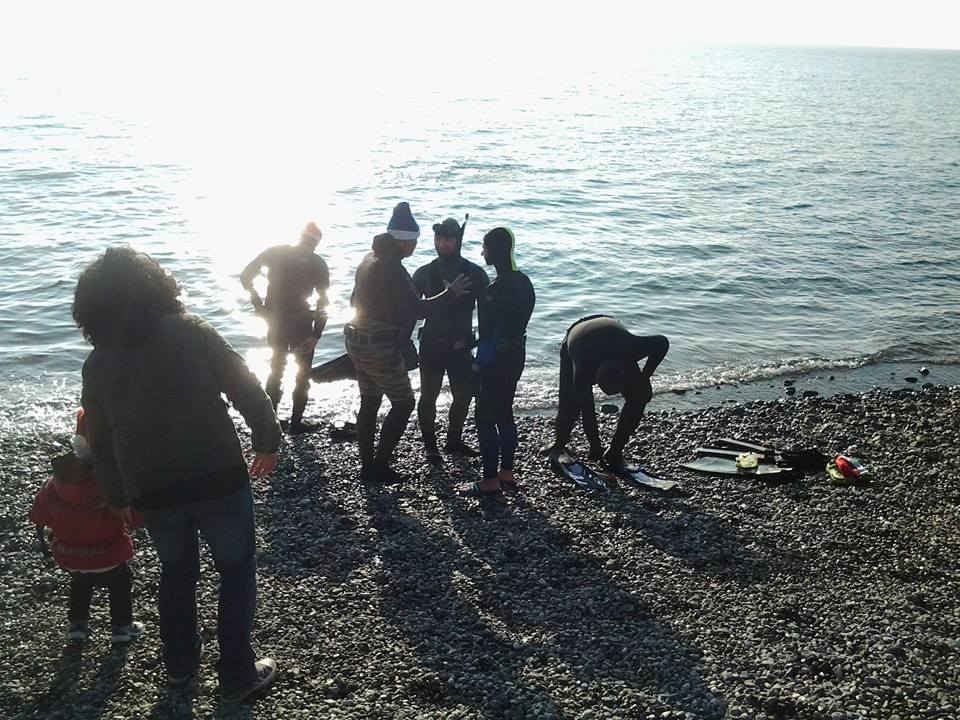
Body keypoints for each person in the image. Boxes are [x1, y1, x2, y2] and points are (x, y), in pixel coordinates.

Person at [74, 246, 281, 703]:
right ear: (157, 287)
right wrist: (267, 441)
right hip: (217, 474)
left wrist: (117, 496)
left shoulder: (98, 363)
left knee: (176, 572)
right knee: (236, 570)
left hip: (152, 488)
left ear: (93, 308)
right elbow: (246, 387)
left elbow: (100, 441)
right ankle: (237, 674)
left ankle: (180, 669)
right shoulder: (191, 330)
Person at [346, 202, 471, 485]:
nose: (415, 246)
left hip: (356, 340)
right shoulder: (391, 267)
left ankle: (366, 467)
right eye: (413, 241)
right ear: (403, 241)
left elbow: (354, 300)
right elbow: (418, 309)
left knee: (370, 401)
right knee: (404, 403)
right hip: (378, 346)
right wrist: (450, 293)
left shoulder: (369, 258)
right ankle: (379, 467)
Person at [29, 408, 145, 644]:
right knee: (120, 584)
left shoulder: (56, 482)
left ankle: (77, 626)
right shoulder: (111, 483)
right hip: (109, 553)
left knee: (80, 584)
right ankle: (122, 628)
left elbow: (39, 515)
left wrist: (48, 534)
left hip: (70, 555)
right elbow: (134, 519)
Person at [543, 315, 669, 469]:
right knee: (570, 405)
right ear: (594, 377)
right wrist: (595, 446)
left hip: (616, 337)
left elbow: (662, 342)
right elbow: (587, 411)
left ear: (624, 369)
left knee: (640, 395)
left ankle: (615, 451)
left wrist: (644, 377)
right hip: (577, 339)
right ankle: (559, 443)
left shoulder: (631, 348)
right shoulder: (582, 369)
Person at [411, 217, 489, 462]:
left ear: (458, 240)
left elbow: (487, 315)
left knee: (463, 396)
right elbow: (413, 311)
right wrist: (402, 343)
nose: (442, 243)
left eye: (448, 238)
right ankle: (430, 447)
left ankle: (454, 440)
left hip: (461, 347)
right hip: (431, 346)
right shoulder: (424, 273)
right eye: (438, 238)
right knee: (428, 397)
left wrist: (487, 349)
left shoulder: (475, 274)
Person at [240, 222, 329, 434]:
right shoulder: (317, 263)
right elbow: (323, 301)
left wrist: (258, 304)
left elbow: (245, 276)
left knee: (276, 370)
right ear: (315, 243)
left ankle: (270, 423)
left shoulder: (275, 252)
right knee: (301, 374)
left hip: (276, 320)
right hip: (300, 324)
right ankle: (295, 424)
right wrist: (316, 334)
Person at [468, 227, 535, 497]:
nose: (482, 253)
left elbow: (486, 333)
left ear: (494, 251)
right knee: (505, 412)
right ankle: (507, 471)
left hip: (495, 358)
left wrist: (477, 363)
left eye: (485, 247)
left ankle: (489, 479)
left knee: (484, 417)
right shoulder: (524, 282)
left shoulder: (495, 289)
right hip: (516, 354)